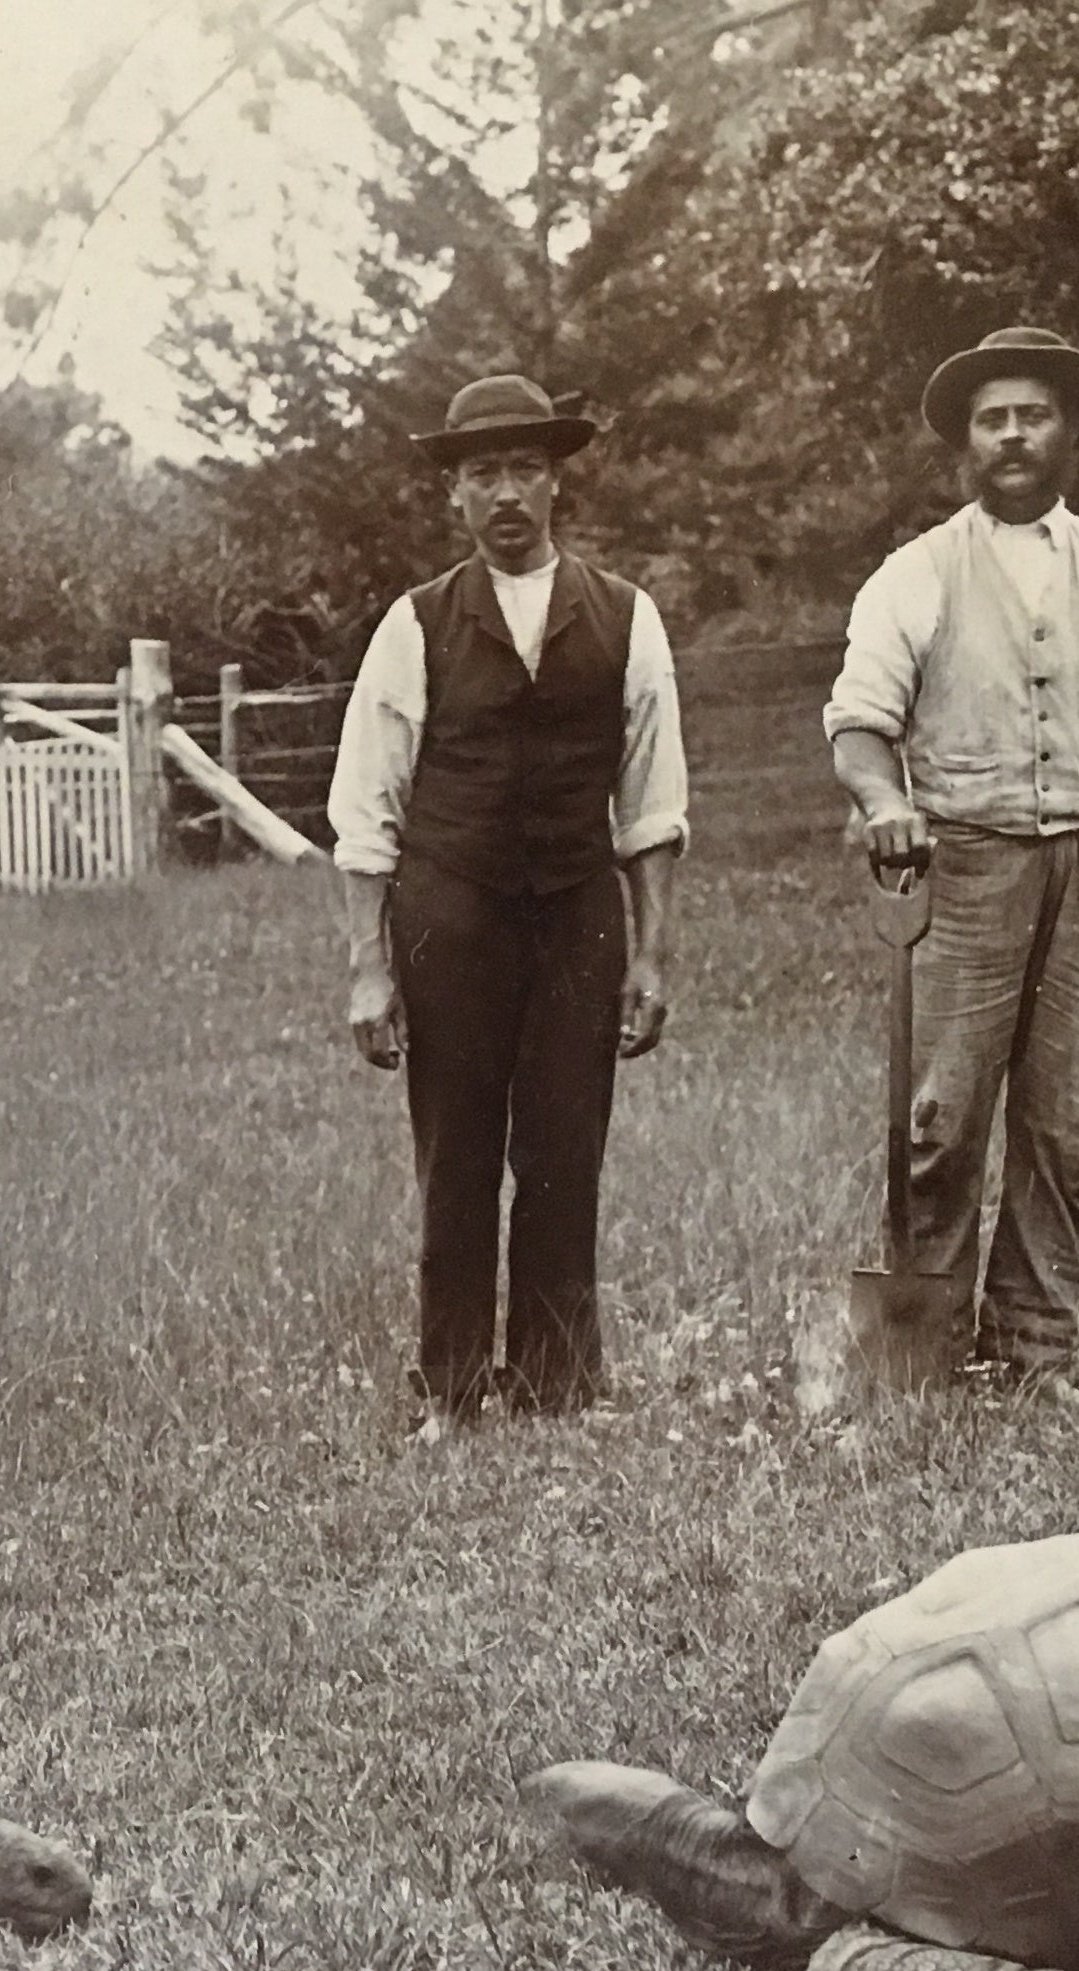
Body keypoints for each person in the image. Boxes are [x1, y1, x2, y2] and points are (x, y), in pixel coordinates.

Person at [822, 325, 1079, 1396]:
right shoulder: (915, 575)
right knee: (938, 1121)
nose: (1011, 436)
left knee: (1067, 1117)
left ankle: (1034, 1352)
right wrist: (886, 800)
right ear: (964, 445)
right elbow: (857, 721)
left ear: (1068, 430)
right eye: (990, 419)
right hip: (964, 871)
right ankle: (919, 1357)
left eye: (1030, 414)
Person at [329, 374, 689, 1439]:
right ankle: (448, 1385)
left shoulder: (625, 617)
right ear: (453, 493)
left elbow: (652, 804)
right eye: (481, 472)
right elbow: (366, 805)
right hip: (454, 909)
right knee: (457, 1149)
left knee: (565, 1143)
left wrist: (651, 955)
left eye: (523, 468)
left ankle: (556, 1383)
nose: (504, 493)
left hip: (577, 909)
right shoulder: (415, 624)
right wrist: (366, 961)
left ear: (556, 480)